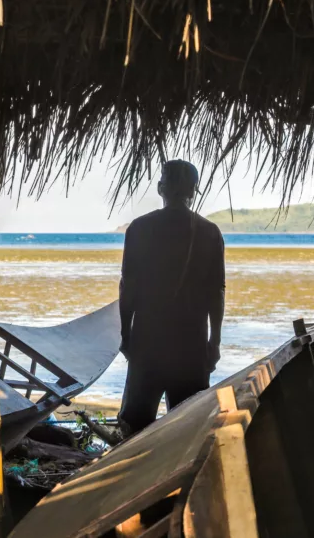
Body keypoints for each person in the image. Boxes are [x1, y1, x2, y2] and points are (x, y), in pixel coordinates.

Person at [117, 160, 225, 435]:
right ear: (193, 190)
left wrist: (125, 334)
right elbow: (217, 293)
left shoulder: (140, 229)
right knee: (189, 426)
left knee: (135, 426)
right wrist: (215, 341)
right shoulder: (209, 232)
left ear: (161, 187)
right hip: (192, 343)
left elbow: (128, 286)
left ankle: (132, 474)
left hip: (148, 339)